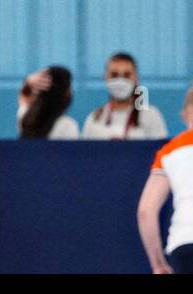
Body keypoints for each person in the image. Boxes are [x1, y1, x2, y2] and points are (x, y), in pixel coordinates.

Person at [138, 86, 193, 274]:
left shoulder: (169, 151)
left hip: (184, 244)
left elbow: (146, 212)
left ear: (185, 114)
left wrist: (158, 264)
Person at [81, 52, 168, 140]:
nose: (120, 80)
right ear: (106, 78)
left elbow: (161, 151)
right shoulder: (94, 118)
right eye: (114, 75)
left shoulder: (150, 116)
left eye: (126, 75)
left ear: (136, 78)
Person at [18, 66, 79, 138]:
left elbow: (24, 95)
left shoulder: (25, 118)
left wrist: (28, 81)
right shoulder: (68, 126)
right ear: (66, 94)